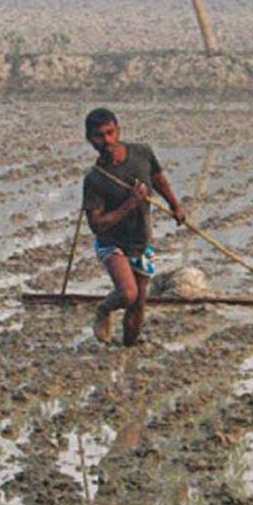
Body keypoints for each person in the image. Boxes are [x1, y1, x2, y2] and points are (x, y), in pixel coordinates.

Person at [81, 108, 186, 346]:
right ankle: (104, 309)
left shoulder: (142, 153)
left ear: (118, 130)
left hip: (141, 240)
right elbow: (97, 225)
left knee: (138, 304)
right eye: (99, 136)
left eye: (110, 133)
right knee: (128, 294)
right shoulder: (95, 179)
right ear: (90, 139)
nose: (107, 140)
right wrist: (131, 203)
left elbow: (159, 179)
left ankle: (128, 348)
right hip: (112, 244)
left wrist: (175, 206)